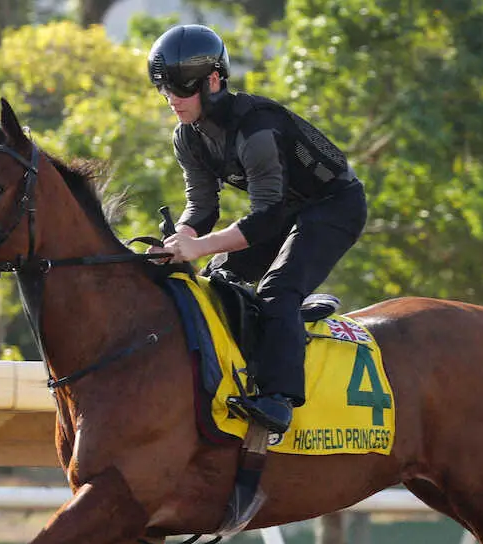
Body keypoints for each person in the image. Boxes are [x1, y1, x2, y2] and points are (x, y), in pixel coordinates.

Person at [148, 24, 368, 435]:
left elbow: (265, 218)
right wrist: (178, 241)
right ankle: (255, 351)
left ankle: (278, 399)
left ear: (213, 81)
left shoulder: (257, 127)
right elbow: (201, 207)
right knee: (217, 279)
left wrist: (200, 246)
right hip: (285, 210)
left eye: (181, 88)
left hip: (334, 206)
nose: (172, 100)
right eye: (164, 90)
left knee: (277, 289)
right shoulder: (187, 137)